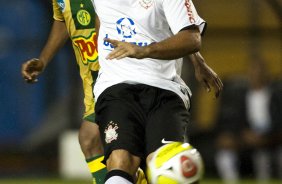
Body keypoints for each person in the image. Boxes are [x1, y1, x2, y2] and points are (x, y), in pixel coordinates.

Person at [91, 0, 223, 183]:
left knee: (165, 163)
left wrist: (144, 51)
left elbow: (191, 37)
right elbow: (99, 17)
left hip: (165, 89)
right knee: (121, 160)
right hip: (116, 85)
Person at [21, 0, 104, 183]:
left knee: (122, 148)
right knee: (89, 138)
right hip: (93, 79)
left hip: (121, 73)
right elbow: (63, 17)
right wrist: (43, 60)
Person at [214, 59, 282, 183]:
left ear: (265, 73)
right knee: (224, 154)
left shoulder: (276, 95)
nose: (255, 74)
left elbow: (278, 121)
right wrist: (241, 135)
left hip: (271, 138)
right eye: (252, 70)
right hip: (246, 137)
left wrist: (267, 137)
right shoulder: (241, 96)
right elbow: (236, 120)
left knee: (267, 157)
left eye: (259, 71)